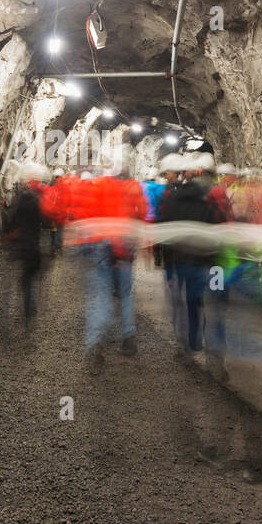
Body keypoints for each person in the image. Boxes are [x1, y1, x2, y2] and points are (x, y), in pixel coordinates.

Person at [74, 155, 147, 372]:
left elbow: (85, 214)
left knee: (100, 295)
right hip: (124, 247)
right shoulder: (134, 187)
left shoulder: (98, 186)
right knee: (125, 293)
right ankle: (128, 337)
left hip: (101, 246)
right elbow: (142, 214)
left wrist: (83, 245)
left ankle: (95, 343)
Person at [161, 152, 228, 363]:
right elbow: (220, 226)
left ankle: (192, 342)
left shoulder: (173, 200)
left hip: (183, 262)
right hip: (212, 261)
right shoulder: (213, 197)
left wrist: (166, 262)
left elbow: (167, 233)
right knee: (215, 304)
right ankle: (216, 353)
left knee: (190, 302)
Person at [1, 162, 49, 327]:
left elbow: (12, 219)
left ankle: (6, 317)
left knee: (13, 282)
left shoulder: (22, 197)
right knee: (28, 281)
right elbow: (44, 221)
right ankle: (29, 313)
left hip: (19, 244)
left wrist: (6, 232)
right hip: (33, 246)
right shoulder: (38, 198)